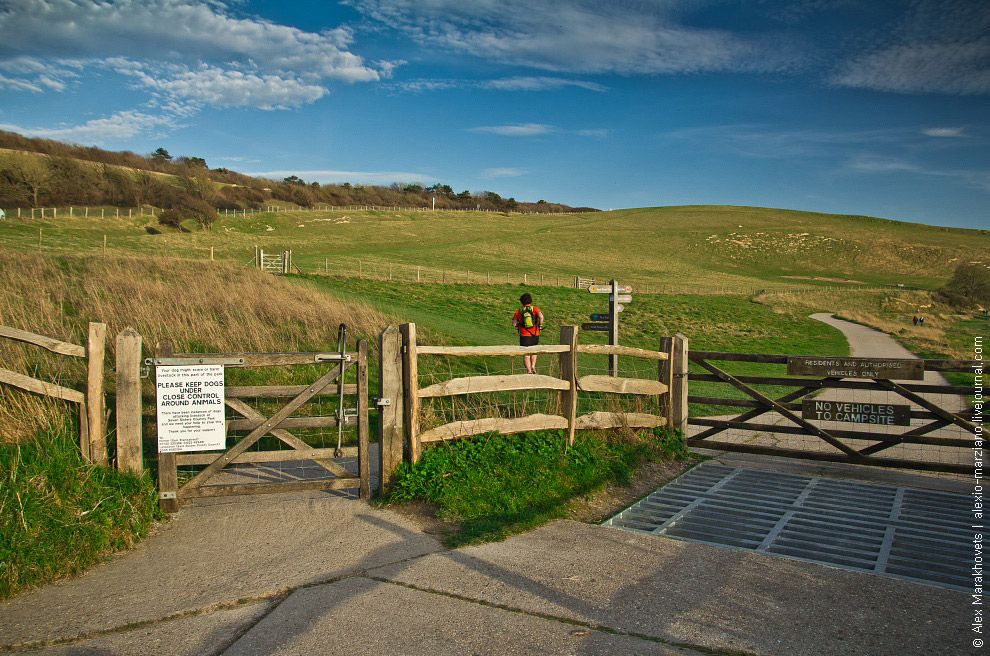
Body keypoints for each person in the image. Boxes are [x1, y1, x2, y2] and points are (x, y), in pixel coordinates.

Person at [512, 293, 544, 374]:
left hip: (524, 335)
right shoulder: (535, 309)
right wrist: (540, 325)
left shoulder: (518, 311)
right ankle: (533, 365)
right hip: (535, 334)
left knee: (526, 354)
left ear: (522, 302)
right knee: (534, 351)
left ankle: (529, 371)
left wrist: (519, 324)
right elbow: (541, 317)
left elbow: (514, 324)